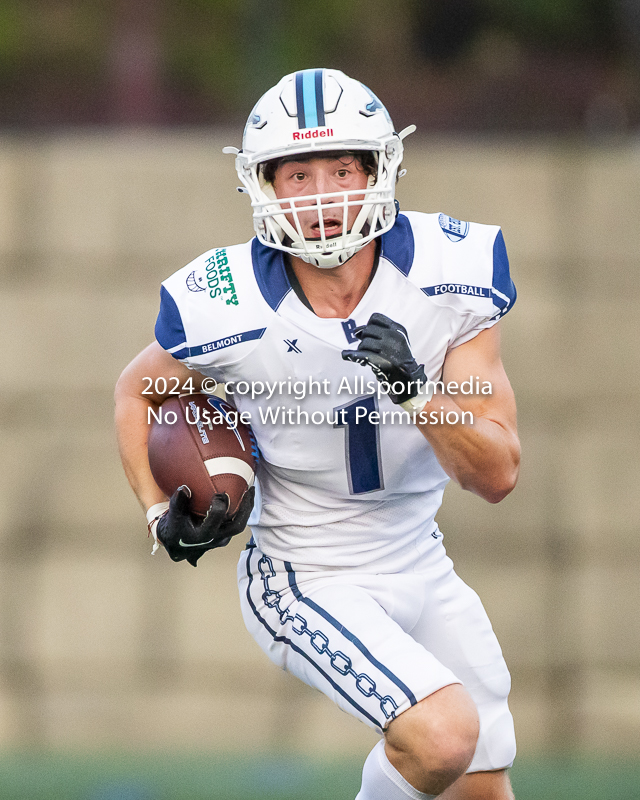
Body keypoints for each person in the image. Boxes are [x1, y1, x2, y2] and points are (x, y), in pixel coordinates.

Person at [115, 68, 520, 800]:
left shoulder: (448, 272)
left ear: (380, 171)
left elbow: (495, 475)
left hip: (420, 561)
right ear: (263, 186)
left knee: (478, 785)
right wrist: (155, 509)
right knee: (444, 734)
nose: (325, 194)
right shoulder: (226, 300)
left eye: (342, 168)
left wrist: (418, 393)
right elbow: (137, 392)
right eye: (298, 174)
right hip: (305, 572)